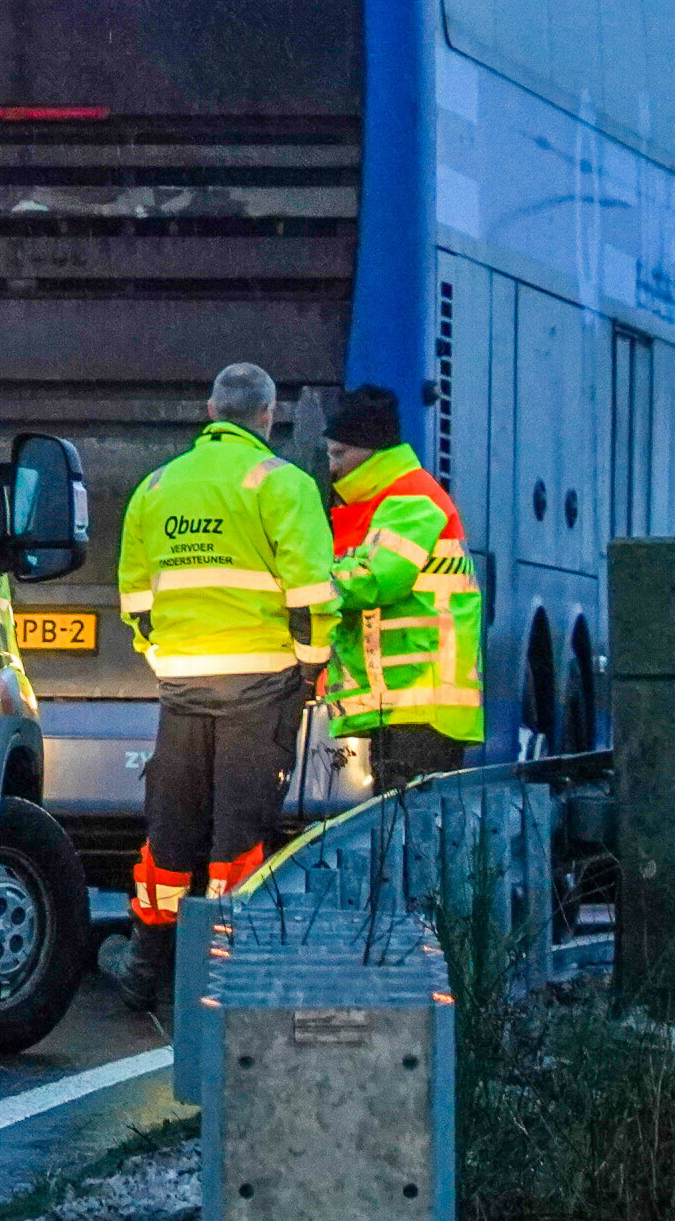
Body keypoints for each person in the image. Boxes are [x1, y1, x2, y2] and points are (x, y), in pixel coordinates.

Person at [97, 363, 335, 1013]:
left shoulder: (157, 487)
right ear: (268, 415)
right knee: (240, 832)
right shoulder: (283, 484)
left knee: (170, 828)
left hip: (182, 685)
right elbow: (312, 594)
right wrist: (309, 668)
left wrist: (164, 658)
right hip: (261, 685)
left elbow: (135, 599)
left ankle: (145, 965)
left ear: (210, 411)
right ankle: (227, 975)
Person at [309, 384, 483, 795]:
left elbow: (377, 579)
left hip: (421, 703)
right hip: (408, 704)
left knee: (407, 823)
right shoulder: (387, 501)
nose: (332, 466)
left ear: (372, 451)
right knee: (400, 822)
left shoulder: (411, 499)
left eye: (339, 453)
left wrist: (304, 586)